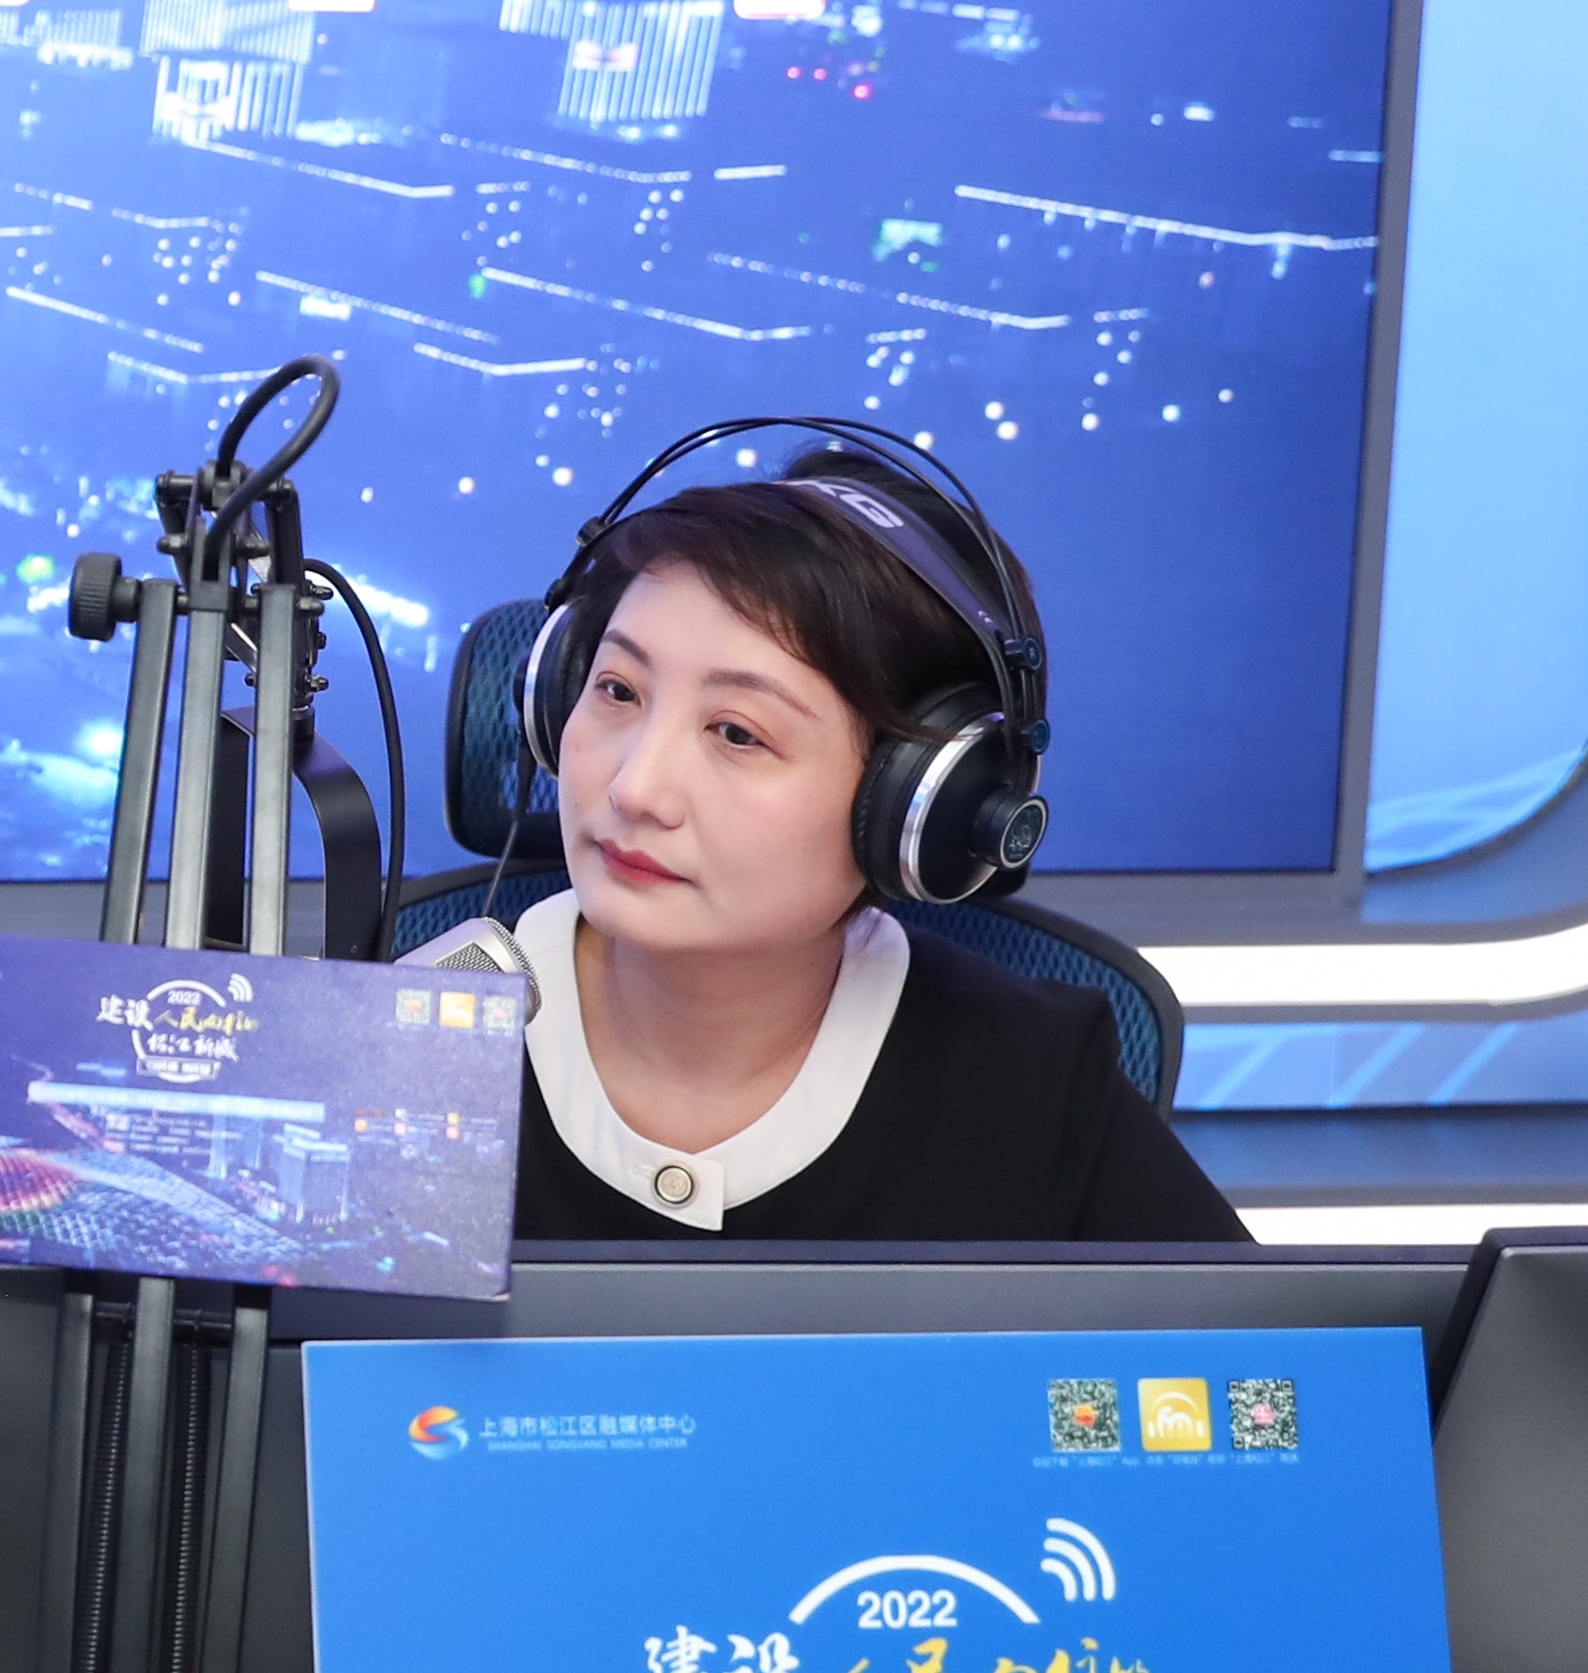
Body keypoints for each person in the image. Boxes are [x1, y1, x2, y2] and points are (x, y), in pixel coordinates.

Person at [495, 438, 1241, 1241]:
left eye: (738, 732)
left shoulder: (1033, 1079)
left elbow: (1257, 1328)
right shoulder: (424, 1025)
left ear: (921, 801)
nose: (633, 788)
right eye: (616, 689)